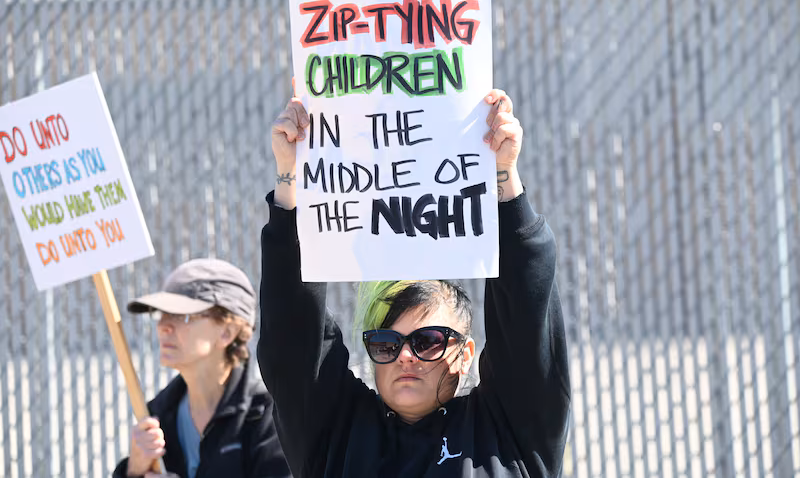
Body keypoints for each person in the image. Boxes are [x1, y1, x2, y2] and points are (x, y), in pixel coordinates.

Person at [257, 89, 571, 477]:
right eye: (386, 344)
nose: (405, 356)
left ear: (465, 353)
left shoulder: (509, 429)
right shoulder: (335, 432)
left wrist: (503, 176)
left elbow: (527, 316)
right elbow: (292, 339)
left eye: (428, 341)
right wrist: (293, 176)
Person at [112, 258, 292, 478]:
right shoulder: (157, 416)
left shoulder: (267, 416)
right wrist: (133, 471)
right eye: (160, 314)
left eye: (180, 315)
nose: (163, 326)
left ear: (227, 332)